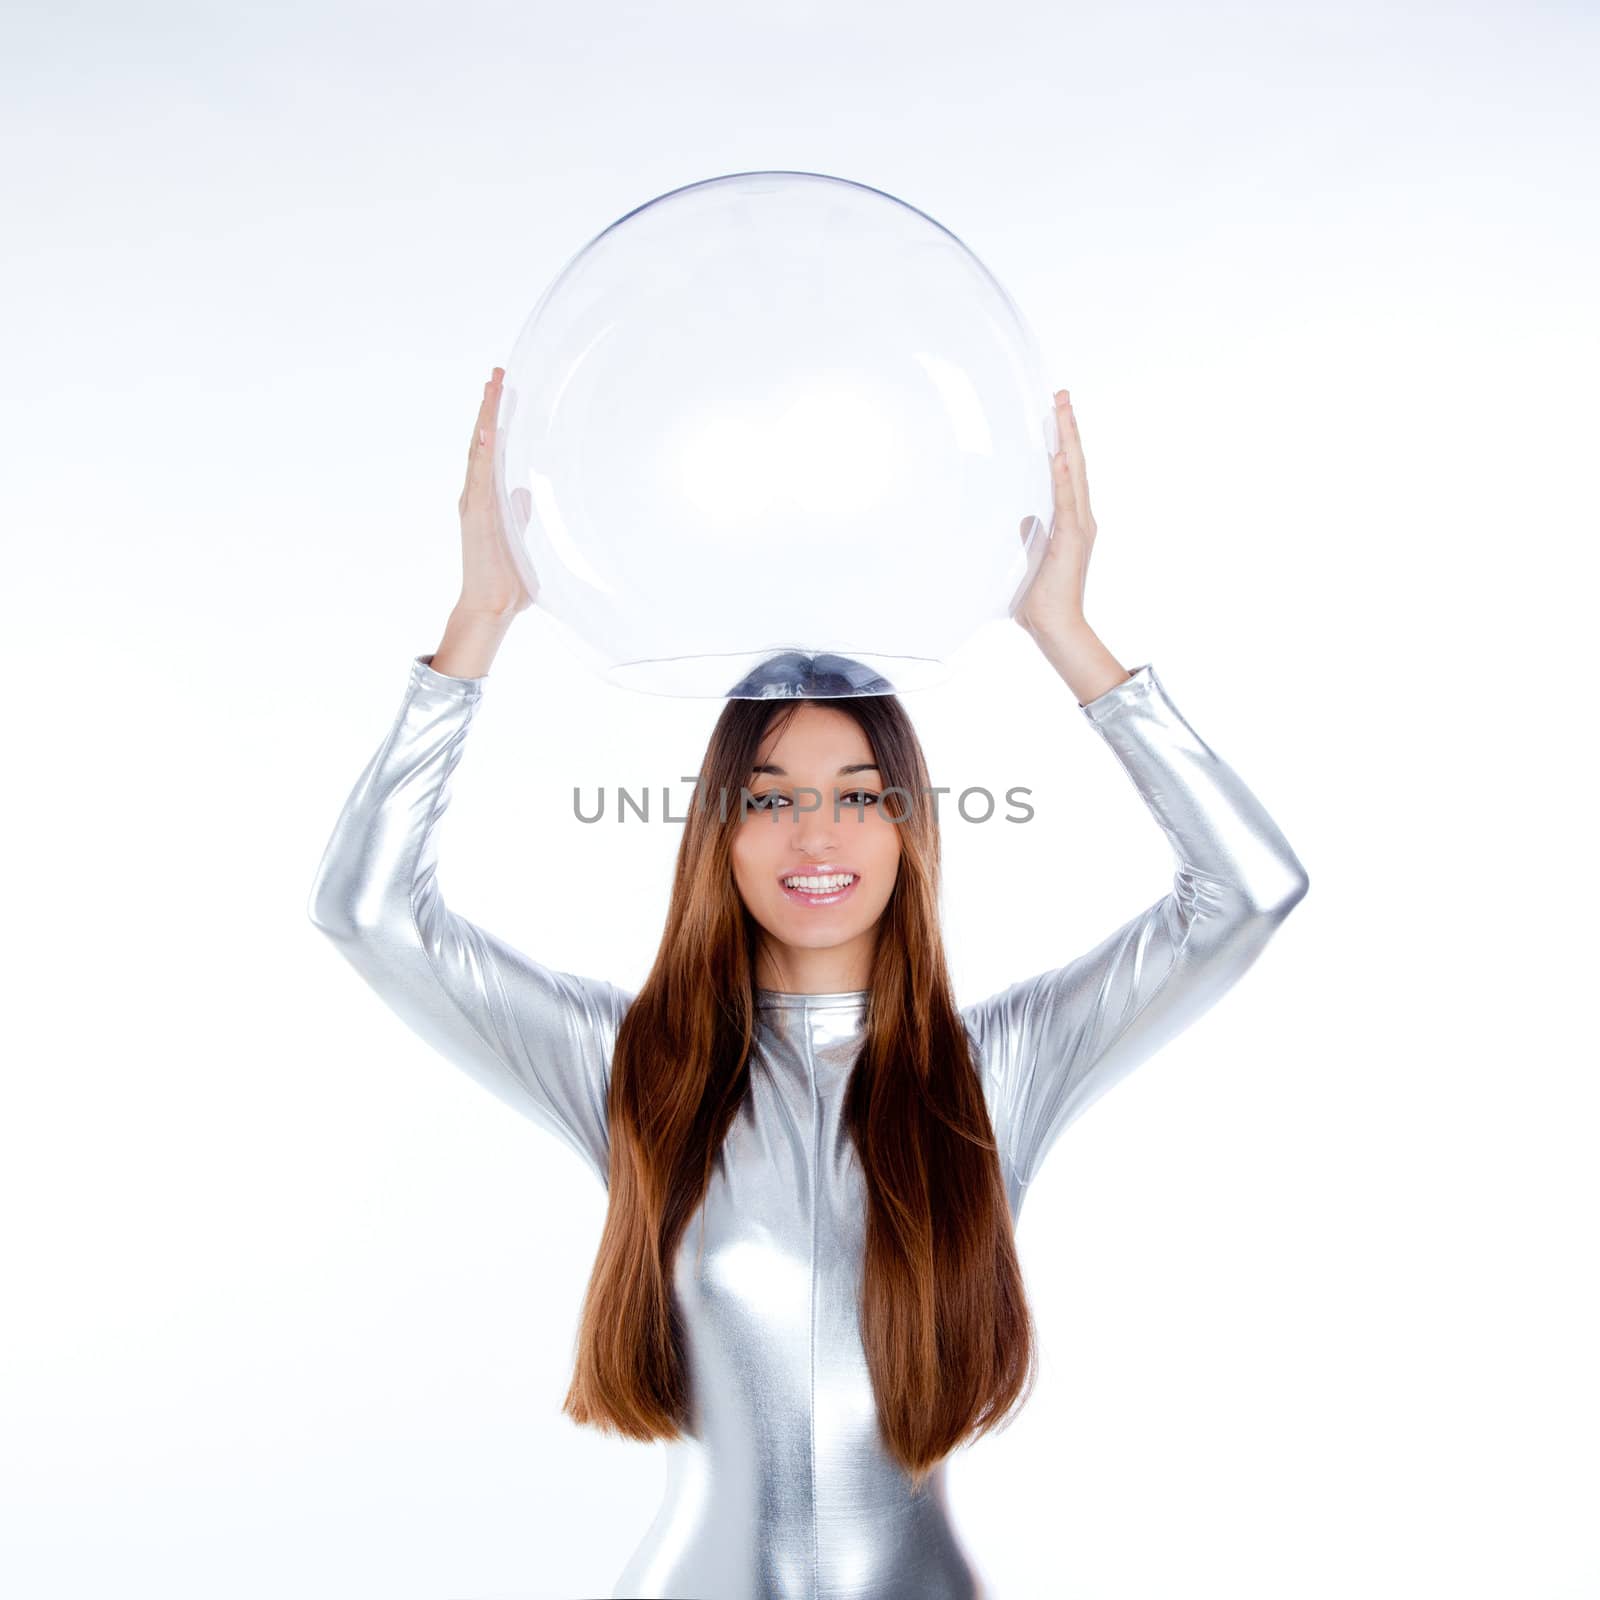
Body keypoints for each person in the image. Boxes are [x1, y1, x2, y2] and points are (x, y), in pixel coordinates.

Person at [307, 371, 1310, 1600]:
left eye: (857, 795)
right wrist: (478, 620)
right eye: (772, 796)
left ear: (908, 829)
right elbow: (366, 914)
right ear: (720, 833)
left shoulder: (993, 1070)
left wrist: (1065, 630)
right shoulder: (636, 1069)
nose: (815, 835)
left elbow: (1248, 893)